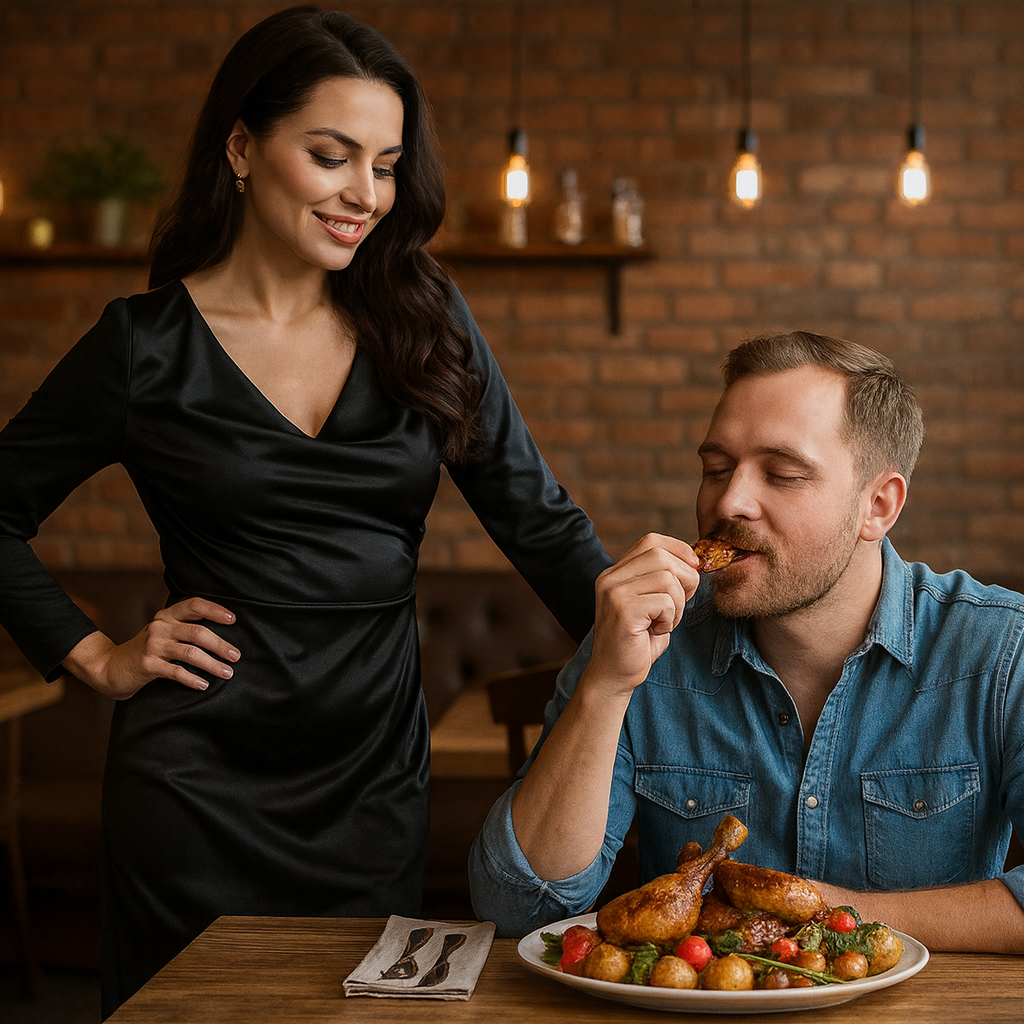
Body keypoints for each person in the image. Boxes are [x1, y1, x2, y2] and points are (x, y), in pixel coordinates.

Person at [0, 7, 610, 1015]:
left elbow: (537, 521)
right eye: (331, 157)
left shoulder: (427, 318)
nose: (364, 195)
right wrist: (94, 653)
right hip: (191, 785)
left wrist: (669, 667)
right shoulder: (144, 346)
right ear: (242, 146)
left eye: (384, 164)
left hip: (370, 782)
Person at [469, 330, 1024, 954]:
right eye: (714, 469)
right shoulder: (646, 640)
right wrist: (606, 685)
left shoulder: (1000, 649)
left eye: (782, 474)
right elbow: (515, 905)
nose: (728, 500)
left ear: (878, 505)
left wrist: (825, 916)